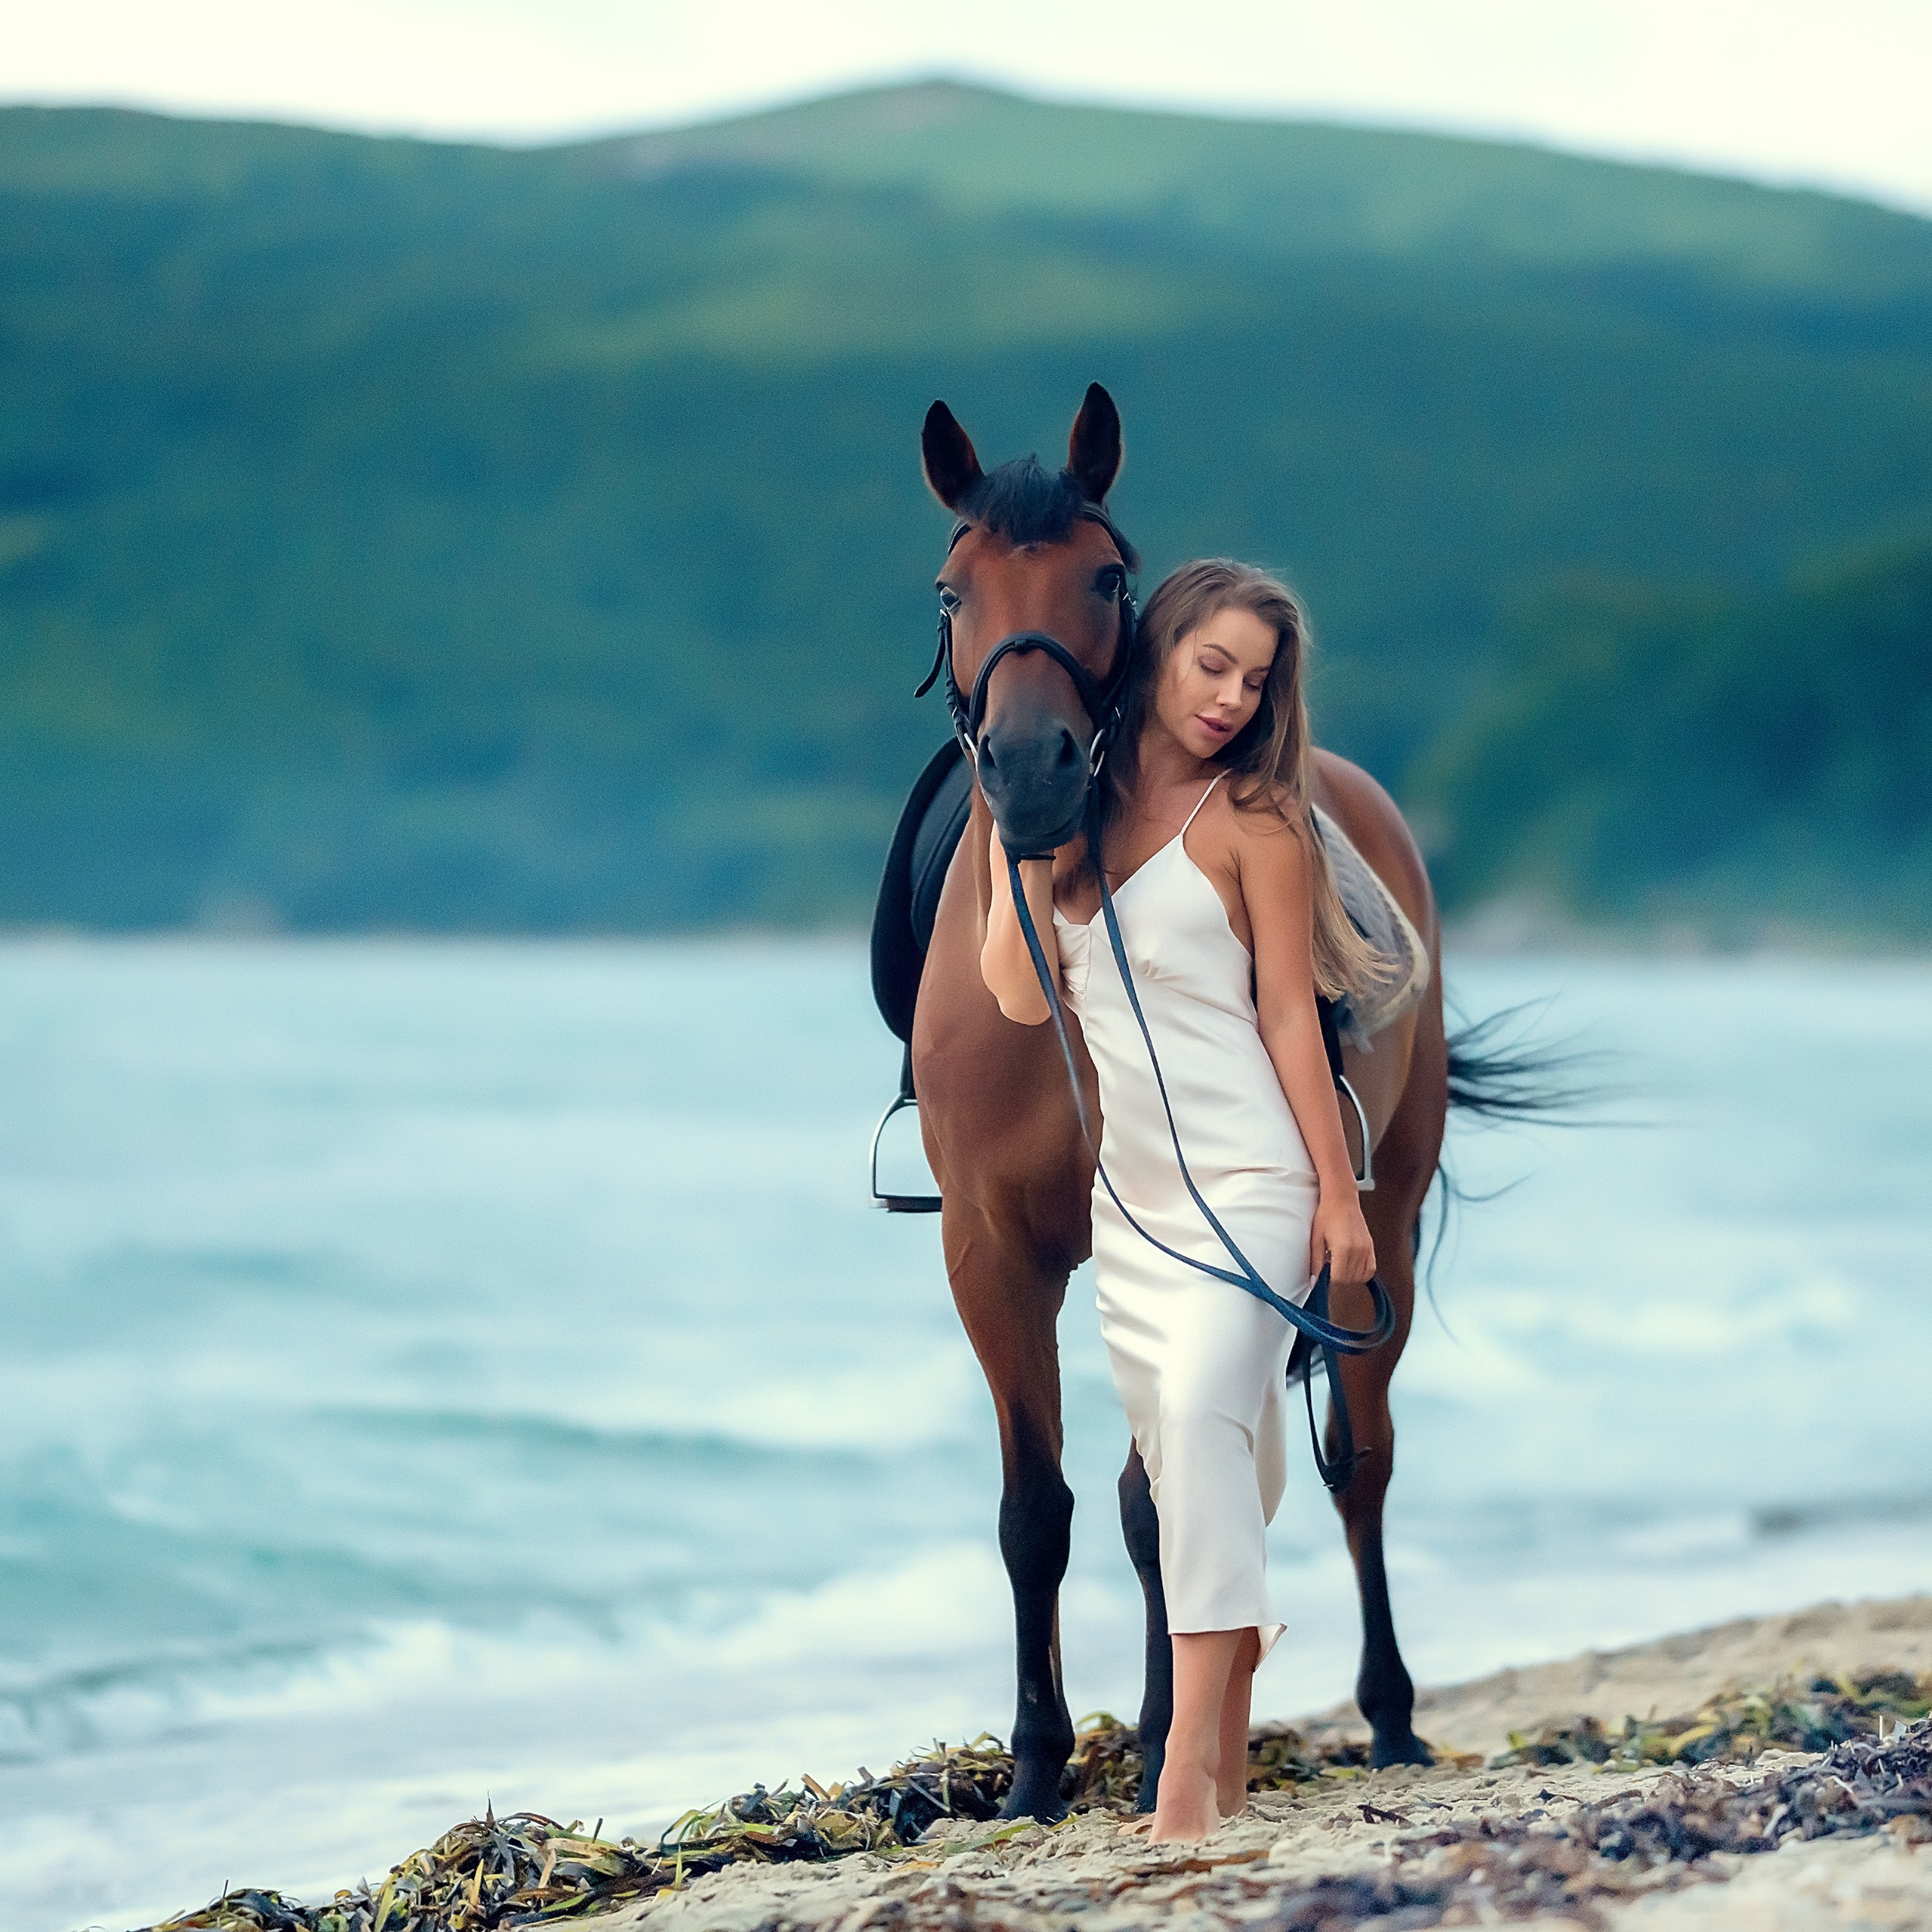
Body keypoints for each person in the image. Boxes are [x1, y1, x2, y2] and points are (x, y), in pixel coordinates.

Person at [980, 558, 1388, 1842]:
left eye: (1255, 679)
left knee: (1205, 1433)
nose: (1228, 696)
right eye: (1211, 665)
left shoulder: (1258, 822)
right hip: (1137, 1217)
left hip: (1257, 1180)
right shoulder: (1074, 819)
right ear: (1157, 655)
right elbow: (1013, 990)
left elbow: (1283, 1019)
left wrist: (1340, 1199)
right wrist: (1016, 834)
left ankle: (1186, 1782)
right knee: (1220, 1458)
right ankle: (1226, 1753)